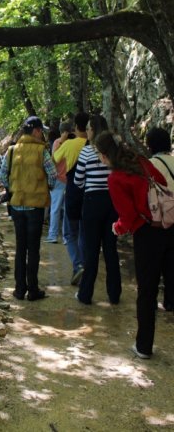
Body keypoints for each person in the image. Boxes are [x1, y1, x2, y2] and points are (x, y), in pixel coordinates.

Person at [94, 131, 173, 359]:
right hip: (169, 224)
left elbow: (127, 218)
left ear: (104, 155)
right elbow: (161, 183)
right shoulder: (143, 161)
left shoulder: (116, 179)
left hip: (147, 234)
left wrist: (116, 228)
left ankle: (144, 346)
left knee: (147, 292)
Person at [0, 116, 56, 301]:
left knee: (20, 248)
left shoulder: (12, 150)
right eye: (42, 131)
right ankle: (33, 290)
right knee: (33, 249)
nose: (43, 134)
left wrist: (14, 188)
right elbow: (53, 175)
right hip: (36, 207)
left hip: (17, 206)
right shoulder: (43, 151)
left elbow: (2, 177)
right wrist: (45, 188)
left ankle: (19, 289)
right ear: (37, 131)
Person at [73, 114, 121, 305]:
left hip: (92, 202)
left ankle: (85, 295)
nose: (87, 132)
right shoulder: (115, 151)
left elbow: (78, 181)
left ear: (94, 130)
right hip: (112, 202)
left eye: (89, 129)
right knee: (111, 249)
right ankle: (114, 294)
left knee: (91, 251)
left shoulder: (86, 152)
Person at [52, 112, 89, 285]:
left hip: (73, 190)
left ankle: (78, 264)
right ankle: (84, 265)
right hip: (91, 193)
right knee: (83, 231)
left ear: (75, 127)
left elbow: (55, 158)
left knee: (68, 232)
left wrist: (63, 140)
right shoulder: (95, 145)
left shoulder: (70, 144)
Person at [146, 126, 174, 311]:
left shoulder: (150, 165)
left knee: (154, 262)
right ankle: (171, 301)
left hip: (158, 219)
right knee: (172, 262)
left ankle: (151, 301)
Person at [45, 121, 73, 243]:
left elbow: (54, 160)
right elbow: (56, 159)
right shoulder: (63, 142)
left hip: (63, 179)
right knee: (61, 209)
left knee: (59, 209)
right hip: (64, 180)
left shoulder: (63, 142)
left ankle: (57, 236)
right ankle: (60, 236)